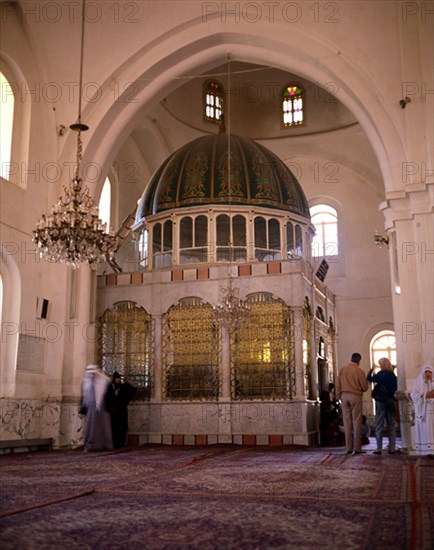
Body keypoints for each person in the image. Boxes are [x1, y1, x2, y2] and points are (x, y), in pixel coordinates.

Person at [336, 353, 369, 454]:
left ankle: (349, 448)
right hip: (355, 396)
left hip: (344, 396)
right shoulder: (359, 371)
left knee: (347, 422)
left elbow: (338, 384)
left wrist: (338, 397)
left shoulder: (343, 370)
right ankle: (357, 448)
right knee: (357, 422)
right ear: (359, 360)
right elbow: (364, 387)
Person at [367, 357, 398, 454]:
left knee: (379, 425)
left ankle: (379, 448)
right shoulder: (393, 376)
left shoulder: (381, 374)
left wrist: (371, 370)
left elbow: (369, 378)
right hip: (391, 401)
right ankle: (392, 448)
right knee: (391, 425)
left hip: (381, 402)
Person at [81, 364, 113, 452]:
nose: (92, 376)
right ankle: (90, 445)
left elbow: (109, 395)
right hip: (91, 409)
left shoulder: (104, 380)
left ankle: (104, 445)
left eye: (93, 374)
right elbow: (85, 396)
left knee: (103, 427)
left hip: (102, 408)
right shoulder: (87, 382)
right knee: (91, 428)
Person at [106, 371, 137, 448]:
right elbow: (107, 398)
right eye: (116, 378)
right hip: (113, 411)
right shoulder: (110, 387)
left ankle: (121, 443)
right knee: (113, 428)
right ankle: (114, 443)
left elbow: (133, 391)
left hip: (121, 410)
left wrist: (130, 384)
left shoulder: (123, 387)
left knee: (122, 428)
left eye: (119, 378)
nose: (118, 380)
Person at [410, 364, 434, 456]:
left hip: (432, 410)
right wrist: (425, 395)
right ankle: (427, 451)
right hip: (423, 412)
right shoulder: (418, 383)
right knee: (426, 431)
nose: (428, 374)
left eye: (430, 372)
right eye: (426, 372)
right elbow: (413, 395)